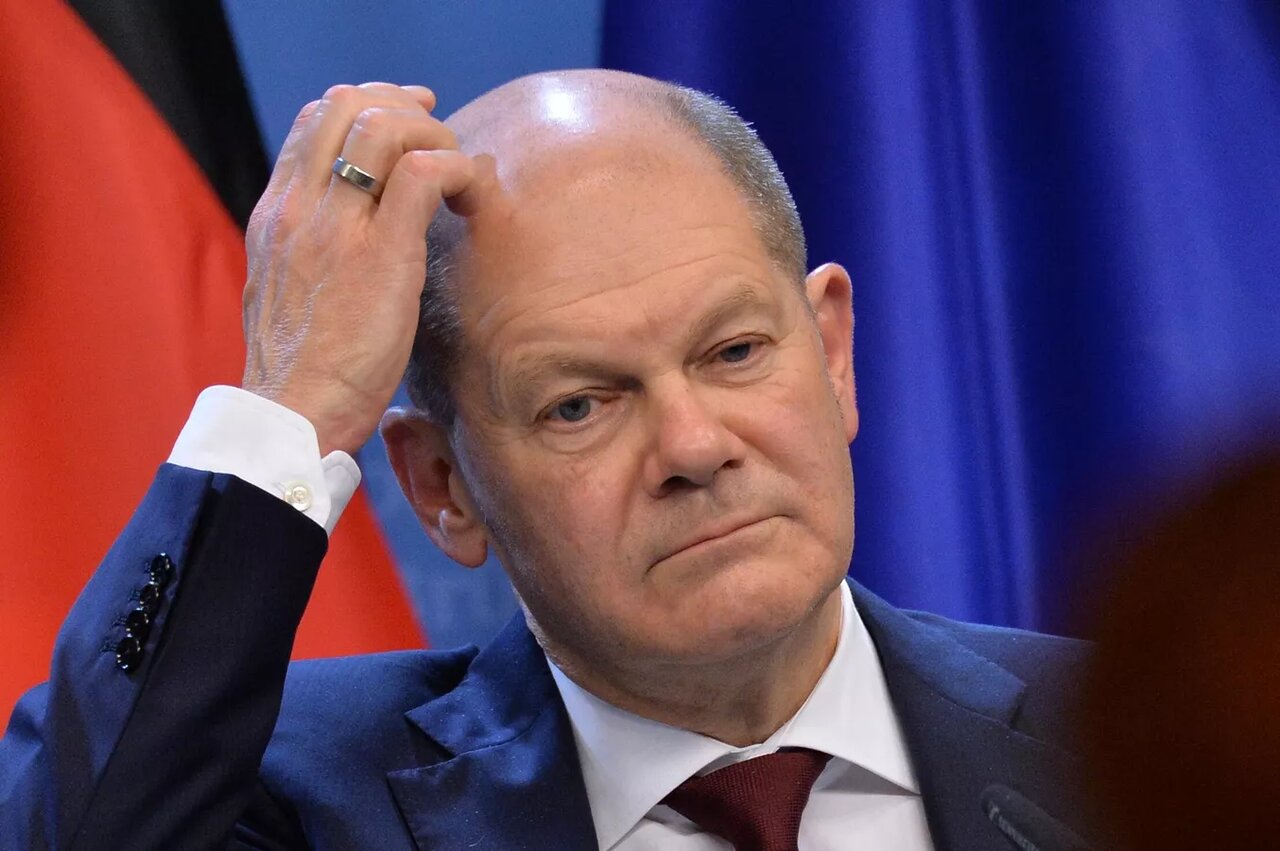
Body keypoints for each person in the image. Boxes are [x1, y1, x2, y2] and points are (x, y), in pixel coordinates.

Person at [1, 70, 1094, 850]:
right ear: (444, 487)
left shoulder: (1136, 739)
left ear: (834, 353)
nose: (694, 445)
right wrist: (294, 405)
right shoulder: (306, 800)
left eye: (734, 352)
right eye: (578, 404)